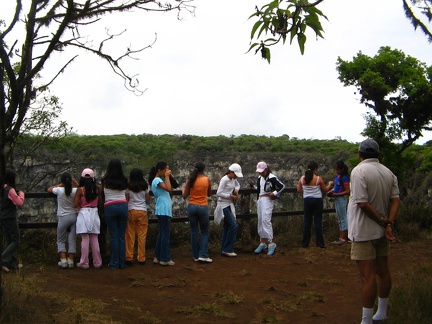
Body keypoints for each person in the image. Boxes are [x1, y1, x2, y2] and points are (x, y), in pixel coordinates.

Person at [347, 139, 400, 324]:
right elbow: (395, 200)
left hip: (363, 231)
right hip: (382, 232)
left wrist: (380, 220)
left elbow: (362, 203)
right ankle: (382, 312)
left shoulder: (359, 171)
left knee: (367, 277)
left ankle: (366, 320)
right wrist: (388, 223)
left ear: (360, 154)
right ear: (378, 154)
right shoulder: (388, 173)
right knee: (383, 271)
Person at [297, 161, 333, 248]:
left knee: (307, 222)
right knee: (318, 222)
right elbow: (325, 189)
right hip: (317, 201)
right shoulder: (318, 179)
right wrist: (330, 184)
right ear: (316, 169)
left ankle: (305, 243)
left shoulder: (302, 178)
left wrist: (306, 191)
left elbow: (298, 190)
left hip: (307, 200)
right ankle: (320, 243)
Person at [101, 159, 129, 270]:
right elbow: (126, 194)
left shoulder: (105, 180)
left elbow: (102, 195)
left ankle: (114, 262)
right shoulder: (124, 180)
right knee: (121, 236)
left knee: (113, 236)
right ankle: (122, 263)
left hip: (110, 206)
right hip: (123, 205)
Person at [182, 162, 212, 263]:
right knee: (204, 232)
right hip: (203, 206)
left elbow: (185, 195)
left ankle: (195, 255)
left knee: (194, 231)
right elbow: (208, 194)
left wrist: (182, 190)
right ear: (203, 169)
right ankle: (203, 255)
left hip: (192, 206)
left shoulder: (190, 180)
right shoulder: (206, 180)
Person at [48, 172, 79, 269]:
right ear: (71, 181)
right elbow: (82, 189)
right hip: (74, 216)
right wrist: (75, 183)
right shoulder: (75, 191)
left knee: (60, 239)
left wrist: (61, 184)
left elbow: (49, 189)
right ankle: (71, 260)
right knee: (72, 238)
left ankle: (63, 260)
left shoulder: (59, 190)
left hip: (63, 217)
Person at [253, 161, 286, 256]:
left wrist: (274, 193)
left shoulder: (272, 178)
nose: (260, 173)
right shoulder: (260, 178)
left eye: (262, 171)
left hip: (267, 200)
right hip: (260, 199)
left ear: (266, 169)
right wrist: (254, 188)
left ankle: (271, 242)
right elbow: (261, 189)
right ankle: (262, 242)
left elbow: (282, 186)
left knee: (266, 220)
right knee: (260, 220)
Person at [74, 168, 102, 270]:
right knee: (94, 238)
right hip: (94, 213)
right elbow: (100, 203)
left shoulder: (81, 190)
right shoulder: (97, 189)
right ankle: (97, 262)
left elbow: (76, 204)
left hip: (84, 213)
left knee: (85, 239)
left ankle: (84, 263)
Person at [149, 161, 175, 266]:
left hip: (163, 209)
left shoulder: (160, 180)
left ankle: (158, 256)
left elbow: (172, 187)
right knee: (165, 234)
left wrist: (169, 177)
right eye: (165, 169)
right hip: (163, 209)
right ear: (159, 170)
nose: (167, 171)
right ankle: (165, 258)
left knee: (162, 233)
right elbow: (168, 189)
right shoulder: (157, 180)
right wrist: (167, 177)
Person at [214, 163, 243, 257]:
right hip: (223, 205)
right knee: (234, 226)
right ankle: (228, 249)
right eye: (235, 174)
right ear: (231, 172)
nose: (236, 177)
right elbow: (219, 193)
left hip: (229, 204)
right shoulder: (224, 179)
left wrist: (236, 190)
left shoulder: (233, 179)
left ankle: (224, 249)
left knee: (227, 227)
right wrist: (229, 196)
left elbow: (237, 185)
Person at [1, 169, 25, 273]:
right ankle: (3, 259)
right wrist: (22, 194)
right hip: (10, 218)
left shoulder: (2, 188)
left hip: (2, 217)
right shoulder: (10, 190)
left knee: (9, 240)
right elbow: (19, 202)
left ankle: (12, 263)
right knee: (16, 240)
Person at [125, 168, 150, 266]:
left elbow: (127, 199)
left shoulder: (128, 186)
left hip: (131, 210)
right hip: (142, 210)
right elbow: (147, 199)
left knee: (130, 235)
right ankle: (141, 258)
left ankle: (129, 257)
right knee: (142, 235)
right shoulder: (145, 186)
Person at [328, 160, 351, 245]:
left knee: (343, 218)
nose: (336, 171)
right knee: (340, 218)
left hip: (341, 199)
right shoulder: (338, 176)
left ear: (342, 169)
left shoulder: (344, 178)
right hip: (337, 199)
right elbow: (336, 185)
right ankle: (341, 237)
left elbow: (348, 191)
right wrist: (332, 190)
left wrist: (337, 194)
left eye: (337, 169)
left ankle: (343, 238)